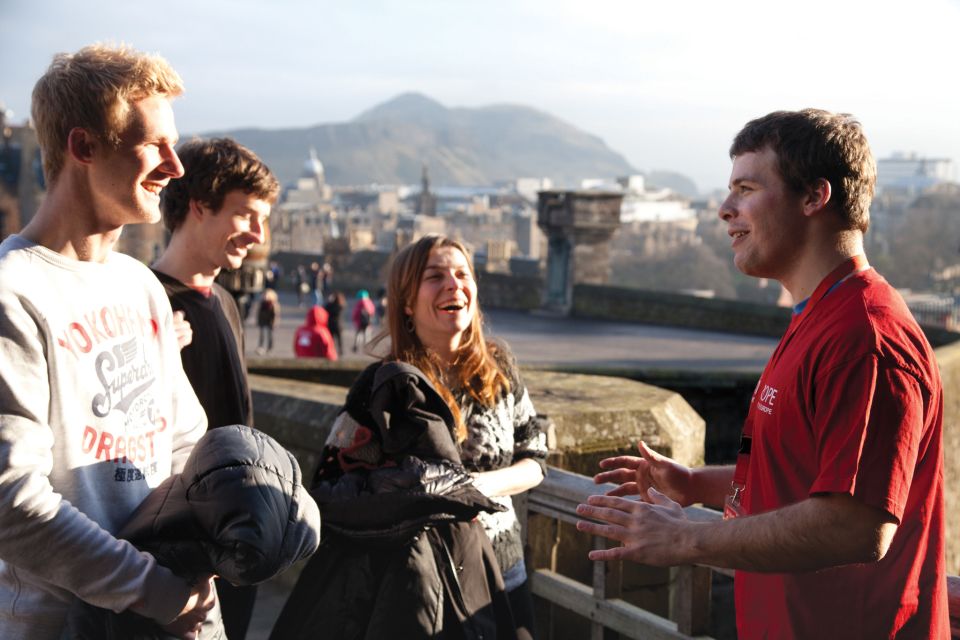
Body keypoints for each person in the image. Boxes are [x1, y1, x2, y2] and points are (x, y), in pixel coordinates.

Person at [576, 109, 947, 638]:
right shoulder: (819, 317)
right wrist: (694, 485)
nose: (725, 209)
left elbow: (854, 526)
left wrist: (684, 540)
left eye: (746, 188)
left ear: (814, 197)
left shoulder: (865, 338)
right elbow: (813, 472)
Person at [0, 44, 215, 639]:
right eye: (155, 145)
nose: (176, 166)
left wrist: (234, 510)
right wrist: (152, 590)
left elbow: (181, 440)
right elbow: (10, 502)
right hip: (59, 625)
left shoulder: (139, 283)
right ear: (84, 147)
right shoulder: (13, 292)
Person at [271, 234, 546, 639]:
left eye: (462, 274)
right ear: (406, 301)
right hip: (424, 585)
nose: (453, 284)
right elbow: (332, 478)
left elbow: (535, 455)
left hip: (503, 573)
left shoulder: (499, 369)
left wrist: (475, 486)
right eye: (435, 276)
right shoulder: (381, 387)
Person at [152, 136, 279, 639]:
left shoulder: (225, 301)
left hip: (238, 534)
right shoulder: (144, 299)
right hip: (174, 545)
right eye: (246, 215)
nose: (257, 234)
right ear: (199, 205)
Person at [351, 288, 376, 352]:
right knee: (366, 335)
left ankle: (355, 346)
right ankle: (366, 347)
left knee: (358, 334)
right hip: (367, 322)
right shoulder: (369, 302)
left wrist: (354, 319)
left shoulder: (360, 303)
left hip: (360, 322)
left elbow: (356, 312)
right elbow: (372, 311)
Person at [257, 288, 280, 355]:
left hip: (270, 322)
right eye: (264, 295)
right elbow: (259, 313)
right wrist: (258, 321)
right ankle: (260, 347)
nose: (265, 296)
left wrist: (274, 323)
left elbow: (275, 315)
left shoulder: (273, 304)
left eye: (267, 295)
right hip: (263, 321)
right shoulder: (262, 303)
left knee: (270, 336)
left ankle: (270, 348)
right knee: (262, 335)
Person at [323, 290, 345, 355]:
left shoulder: (330, 306)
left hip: (331, 325)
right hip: (339, 325)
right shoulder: (341, 306)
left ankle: (332, 350)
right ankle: (341, 351)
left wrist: (329, 301)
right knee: (339, 339)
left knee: (331, 340)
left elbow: (324, 308)